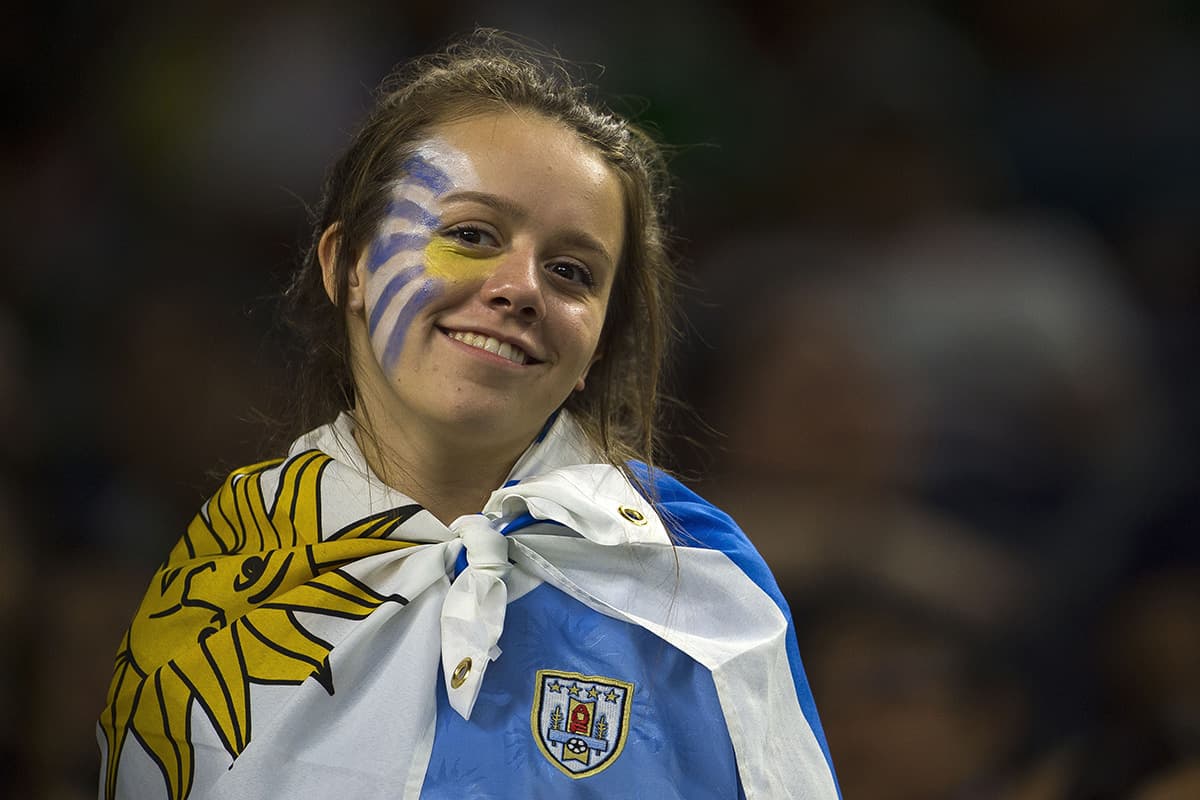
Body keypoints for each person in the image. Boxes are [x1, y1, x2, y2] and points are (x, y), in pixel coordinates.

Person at [96, 31, 840, 799]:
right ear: (347, 266)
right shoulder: (223, 579)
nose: (520, 287)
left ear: (596, 346)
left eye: (570, 271)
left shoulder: (695, 580)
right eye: (470, 235)